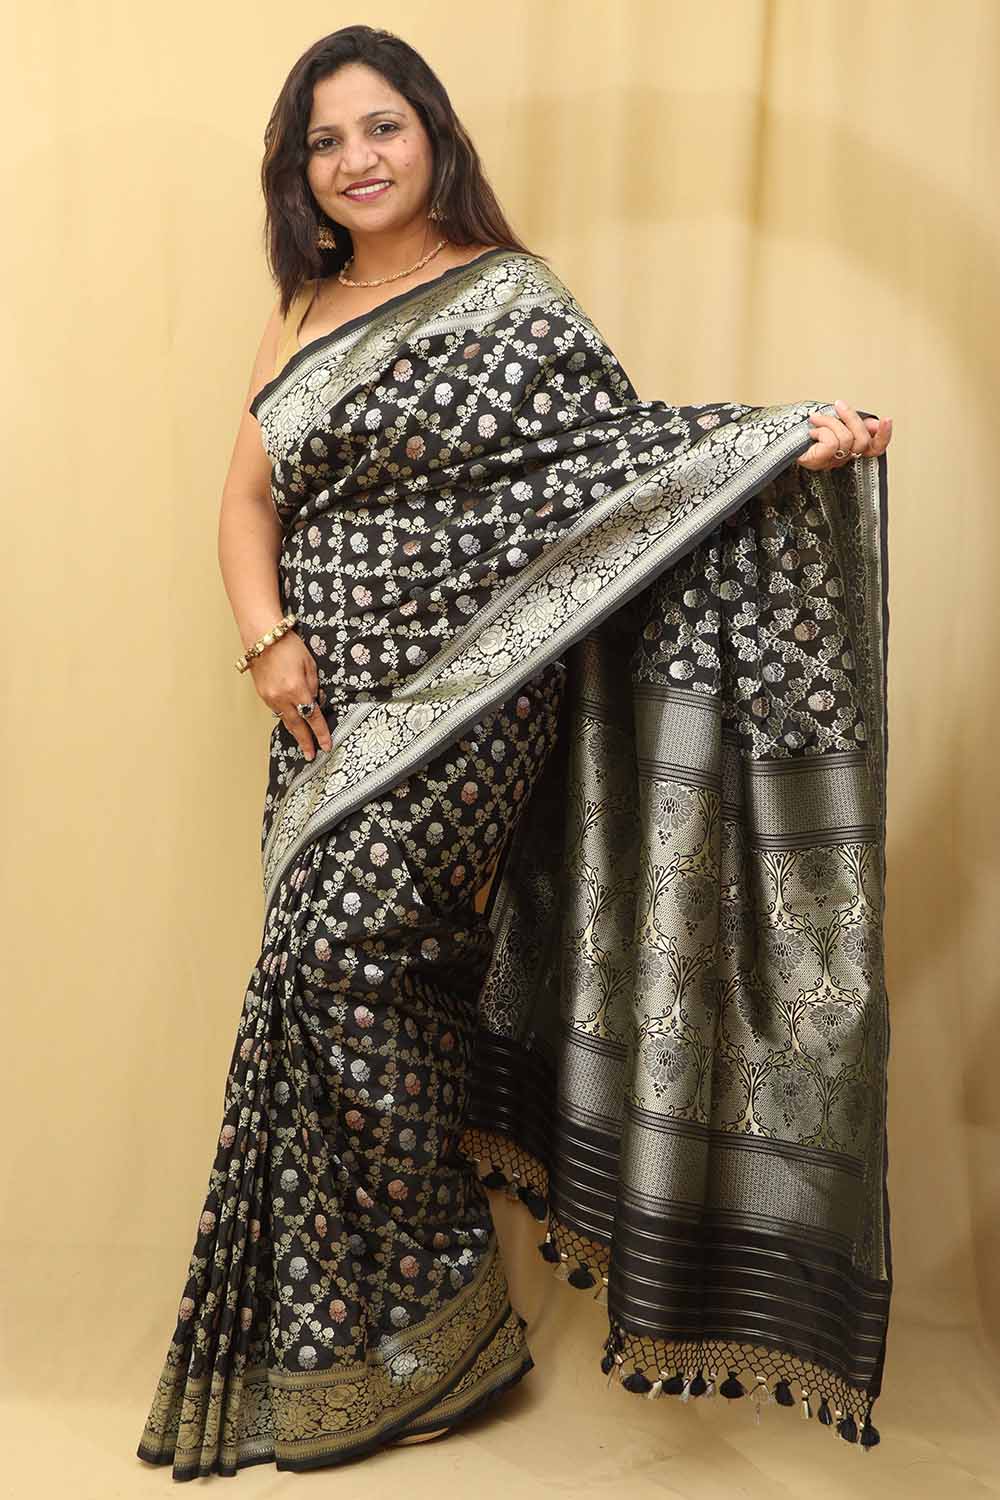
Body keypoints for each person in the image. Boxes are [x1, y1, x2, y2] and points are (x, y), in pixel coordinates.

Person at [136, 23, 894, 1481]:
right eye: (325, 141)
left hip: (475, 697)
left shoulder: (513, 299)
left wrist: (780, 441)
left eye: (383, 127)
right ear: (298, 174)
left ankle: (438, 1308)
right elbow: (246, 501)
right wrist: (268, 638)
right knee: (327, 977)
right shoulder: (302, 312)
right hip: (324, 711)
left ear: (434, 134)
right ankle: (379, 1340)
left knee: (358, 951)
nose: (358, 159)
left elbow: (615, 466)